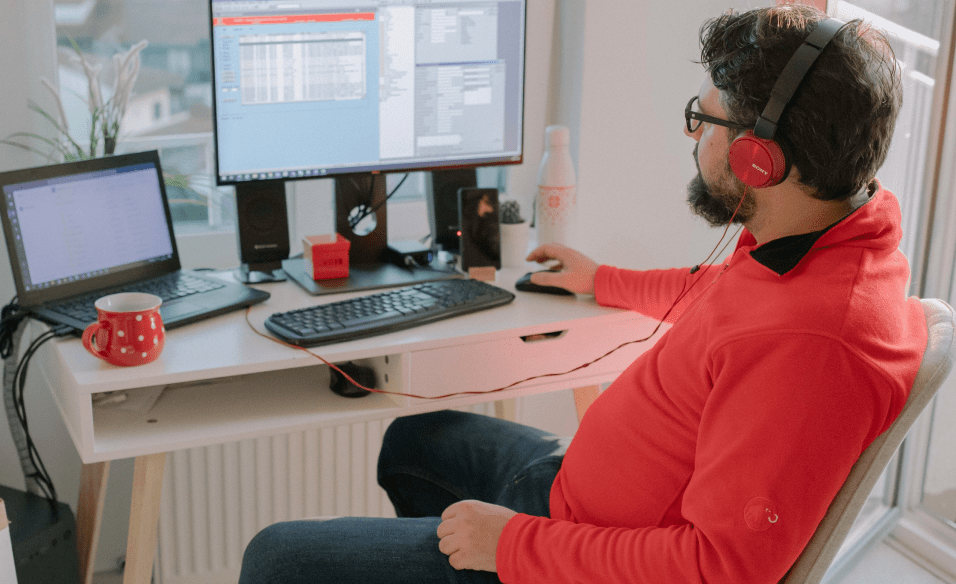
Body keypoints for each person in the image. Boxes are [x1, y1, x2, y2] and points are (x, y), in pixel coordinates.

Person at [238, 5, 929, 583]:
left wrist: (507, 546)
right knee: (414, 440)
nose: (693, 139)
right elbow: (726, 299)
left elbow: (720, 568)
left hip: (577, 547)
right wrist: (602, 281)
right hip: (569, 487)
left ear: (758, 159)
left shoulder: (811, 346)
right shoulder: (831, 238)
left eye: (704, 121)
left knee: (275, 559)